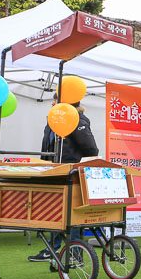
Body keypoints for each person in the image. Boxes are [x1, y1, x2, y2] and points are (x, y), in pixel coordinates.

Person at [28, 93, 99, 262]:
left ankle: (75, 254)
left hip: (72, 175)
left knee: (72, 215)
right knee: (54, 212)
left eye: (54, 100)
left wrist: (72, 163)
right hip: (54, 174)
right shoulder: (52, 121)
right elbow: (47, 148)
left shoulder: (78, 119)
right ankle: (52, 250)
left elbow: (91, 149)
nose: (51, 103)